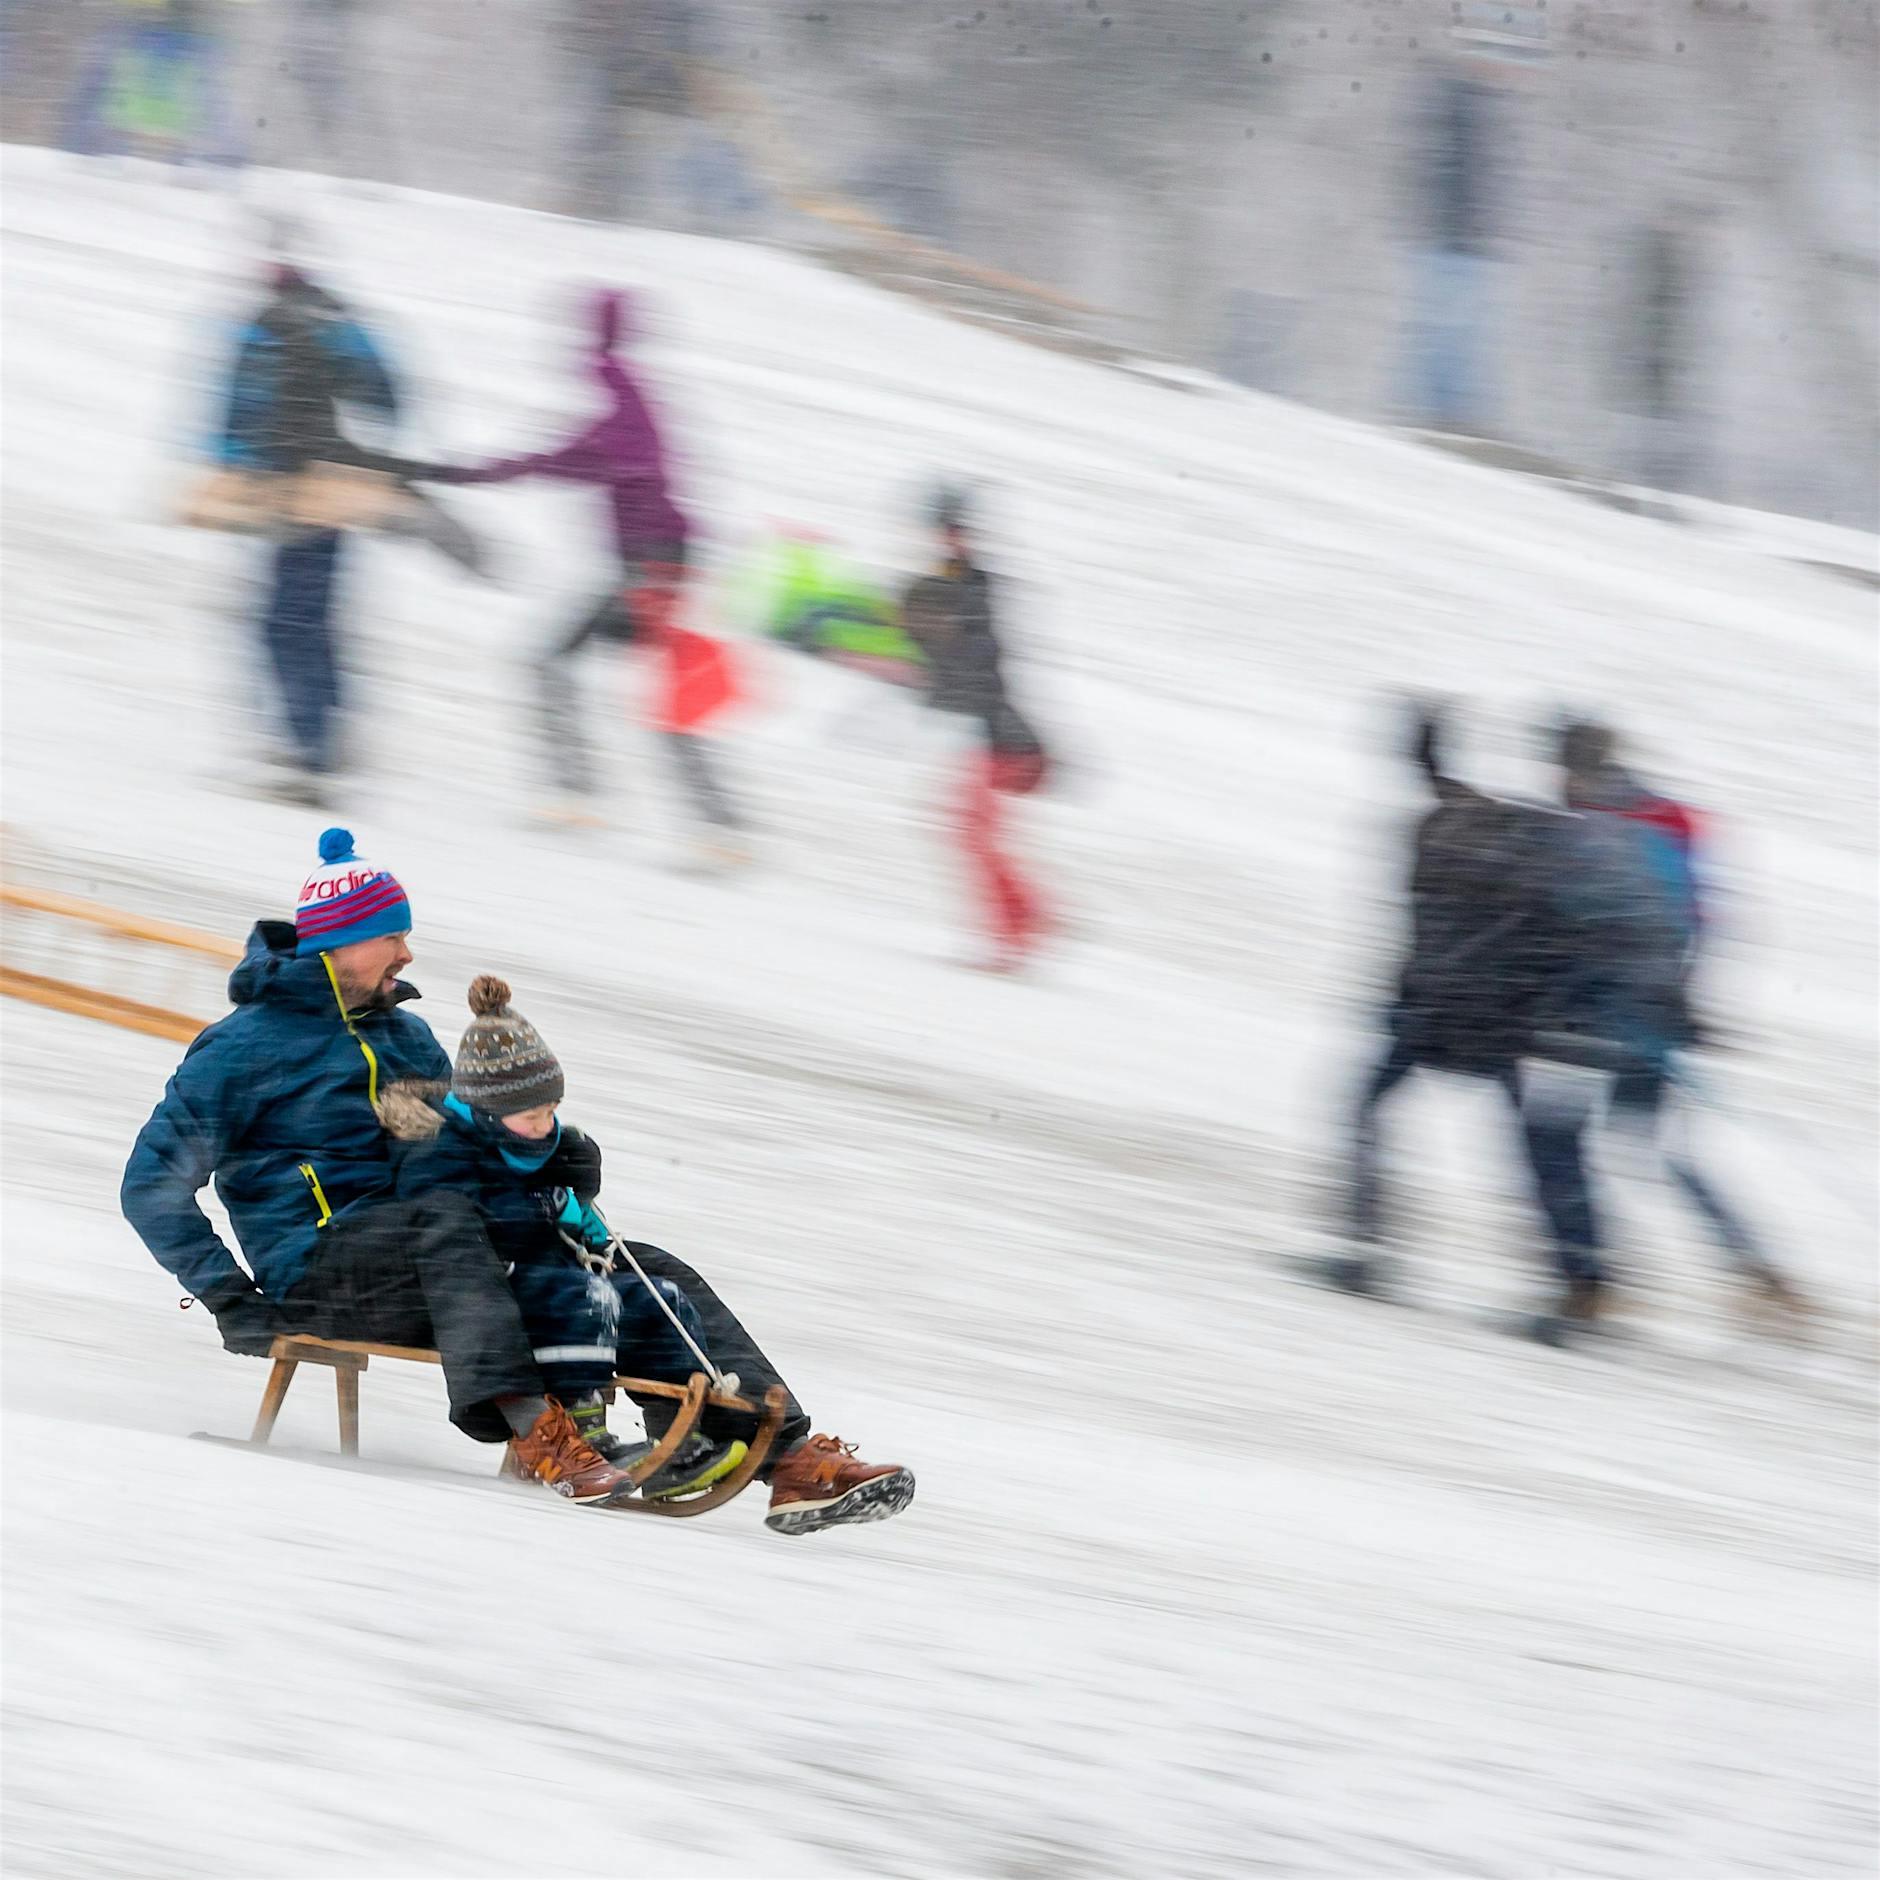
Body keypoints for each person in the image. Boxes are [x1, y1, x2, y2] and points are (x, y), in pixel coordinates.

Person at [120, 828, 914, 1530]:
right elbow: (150, 1186)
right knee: (447, 1224)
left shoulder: (405, 1039)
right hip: (323, 1270)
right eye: (391, 936)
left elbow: (445, 1159)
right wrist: (230, 1297)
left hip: (434, 1263)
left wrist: (540, 1162)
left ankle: (789, 1457)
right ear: (337, 944)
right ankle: (544, 1435)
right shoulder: (244, 1050)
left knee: (632, 1259)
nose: (406, 954)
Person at [1333, 704, 1650, 1342]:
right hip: (1492, 1020)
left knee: (1374, 1111)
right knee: (1533, 1152)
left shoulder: (1459, 828)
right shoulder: (1533, 839)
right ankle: (1585, 1282)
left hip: (1445, 1015)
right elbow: (1580, 933)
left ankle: (1372, 1248)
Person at [374, 973, 752, 1504]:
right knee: (586, 1296)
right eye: (534, 1116)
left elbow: (575, 1226)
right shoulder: (439, 1153)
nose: (547, 1125)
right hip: (493, 1291)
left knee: (657, 1299)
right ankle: (583, 1430)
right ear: (488, 1110)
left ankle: (676, 1437)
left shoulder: (538, 1151)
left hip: (554, 1277)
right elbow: (450, 1235)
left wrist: (581, 1205)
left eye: (552, 1111)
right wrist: (536, 1204)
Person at [428, 289, 745, 844]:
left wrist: (493, 470)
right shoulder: (628, 404)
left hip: (650, 565)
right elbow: (569, 459)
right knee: (650, 686)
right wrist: (476, 473)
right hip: (660, 563)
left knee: (552, 663)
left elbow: (602, 459)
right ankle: (716, 824)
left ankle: (583, 795)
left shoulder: (623, 397)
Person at [1552, 719, 1800, 1313]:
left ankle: (1598, 1278)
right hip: (1648, 1007)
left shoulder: (1613, 830)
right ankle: (1753, 1270)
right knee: (1642, 1144)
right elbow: (1698, 921)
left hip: (1621, 1010)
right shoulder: (1659, 823)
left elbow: (1619, 923)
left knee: (1561, 1137)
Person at [213, 239, 403, 800]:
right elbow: (390, 397)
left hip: (292, 487)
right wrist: (363, 460)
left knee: (281, 621)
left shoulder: (269, 324)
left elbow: (238, 403)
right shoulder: (345, 323)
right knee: (315, 616)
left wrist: (234, 467)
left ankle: (309, 752)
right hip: (339, 488)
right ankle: (326, 735)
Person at [901, 488, 1051, 972]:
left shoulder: (971, 585)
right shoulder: (957, 581)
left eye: (954, 529)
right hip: (991, 732)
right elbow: (957, 658)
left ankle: (1022, 927)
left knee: (971, 833)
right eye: (945, 529)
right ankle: (1023, 922)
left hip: (1000, 735)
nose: (949, 538)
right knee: (968, 832)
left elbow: (979, 659)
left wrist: (934, 652)